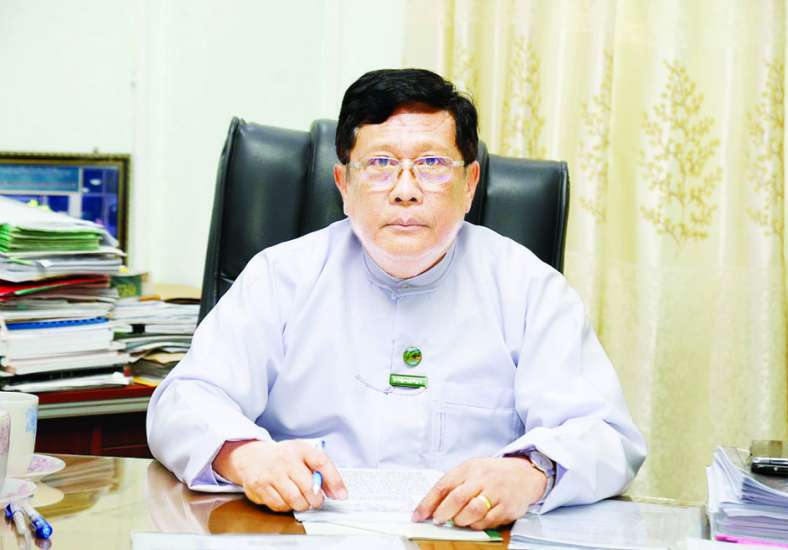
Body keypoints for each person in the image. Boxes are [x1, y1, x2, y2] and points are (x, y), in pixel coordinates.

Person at [147, 68, 646, 530]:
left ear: (470, 184)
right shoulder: (281, 277)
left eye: (432, 164)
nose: (406, 190)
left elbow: (605, 435)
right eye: (381, 164)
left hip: (461, 539)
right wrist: (245, 455)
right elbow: (183, 401)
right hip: (299, 533)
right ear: (343, 184)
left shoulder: (528, 287)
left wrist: (528, 473)